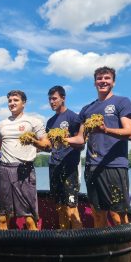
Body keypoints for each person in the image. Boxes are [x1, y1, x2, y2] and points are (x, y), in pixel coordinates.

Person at [66, 67, 131, 228]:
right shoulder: (87, 109)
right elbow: (80, 139)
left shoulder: (122, 102)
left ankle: (123, 251)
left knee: (118, 216)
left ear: (113, 82)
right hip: (92, 167)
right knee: (98, 215)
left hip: (114, 166)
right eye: (99, 78)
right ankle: (104, 251)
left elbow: (130, 133)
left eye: (107, 78)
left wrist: (106, 130)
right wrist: (62, 140)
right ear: (94, 82)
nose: (103, 81)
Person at [0, 90, 50, 230]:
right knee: (2, 217)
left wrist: (33, 141)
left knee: (30, 219)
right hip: (4, 169)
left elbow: (47, 145)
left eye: (16, 100)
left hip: (24, 169)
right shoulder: (1, 124)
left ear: (24, 103)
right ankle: (2, 250)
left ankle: (35, 249)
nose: (12, 103)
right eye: (10, 101)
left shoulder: (34, 121)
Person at [46, 86, 82, 229]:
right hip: (54, 166)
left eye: (54, 98)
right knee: (59, 206)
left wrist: (66, 139)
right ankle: (64, 238)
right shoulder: (50, 122)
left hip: (70, 167)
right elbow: (49, 146)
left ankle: (80, 243)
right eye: (49, 99)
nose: (51, 102)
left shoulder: (74, 118)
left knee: (71, 207)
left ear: (63, 98)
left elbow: (81, 144)